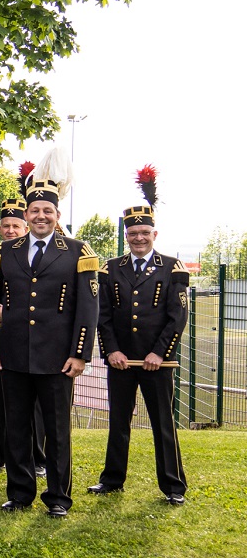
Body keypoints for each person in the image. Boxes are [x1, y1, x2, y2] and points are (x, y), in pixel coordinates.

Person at [0, 178, 99, 518]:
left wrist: (80, 354)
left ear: (57, 214)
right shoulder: (5, 253)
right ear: (27, 215)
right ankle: (19, 494)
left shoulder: (79, 252)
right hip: (14, 355)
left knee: (57, 431)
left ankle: (59, 498)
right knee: (16, 428)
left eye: (47, 210)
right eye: (35, 210)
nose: (41, 216)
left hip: (57, 359)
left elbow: (88, 309)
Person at [91, 171, 188, 504]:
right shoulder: (110, 268)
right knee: (118, 422)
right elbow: (102, 316)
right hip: (122, 361)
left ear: (154, 233)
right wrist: (111, 351)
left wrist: (160, 353)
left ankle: (174, 487)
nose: (139, 239)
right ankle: (112, 480)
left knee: (163, 424)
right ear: (127, 235)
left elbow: (178, 317)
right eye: (133, 234)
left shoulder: (172, 268)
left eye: (144, 233)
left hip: (156, 362)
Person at [0, 197, 47, 477]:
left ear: (26, 225)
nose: (10, 231)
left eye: (15, 226)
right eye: (5, 226)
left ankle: (38, 457)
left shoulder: (37, 253)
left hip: (33, 339)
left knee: (36, 402)